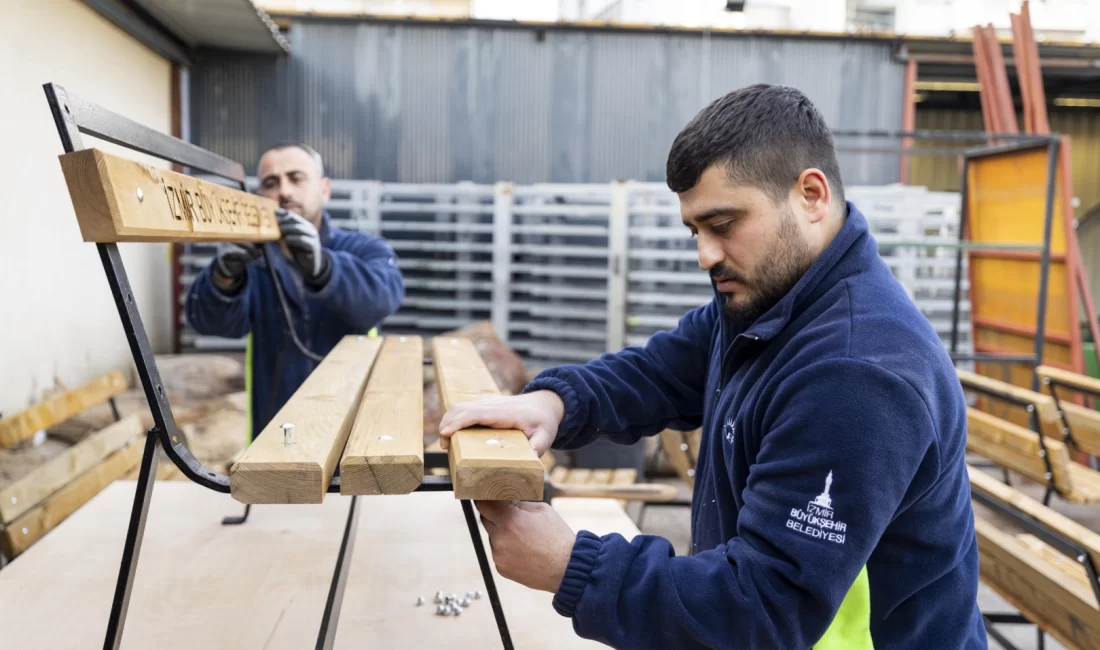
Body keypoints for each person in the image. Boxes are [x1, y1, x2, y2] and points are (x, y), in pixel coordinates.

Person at [438, 85, 985, 649]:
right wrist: (554, 403)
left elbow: (762, 608)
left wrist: (571, 565)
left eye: (723, 224)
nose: (706, 255)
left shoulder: (857, 372)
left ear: (811, 195)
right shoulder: (774, 301)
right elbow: (662, 371)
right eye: (695, 231)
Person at [185, 143, 404, 441]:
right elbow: (210, 323)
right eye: (270, 183)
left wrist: (325, 268)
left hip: (355, 428)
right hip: (277, 432)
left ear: (324, 190)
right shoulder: (251, 262)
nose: (284, 191)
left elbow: (383, 298)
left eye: (296, 178)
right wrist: (223, 276)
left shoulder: (364, 249)